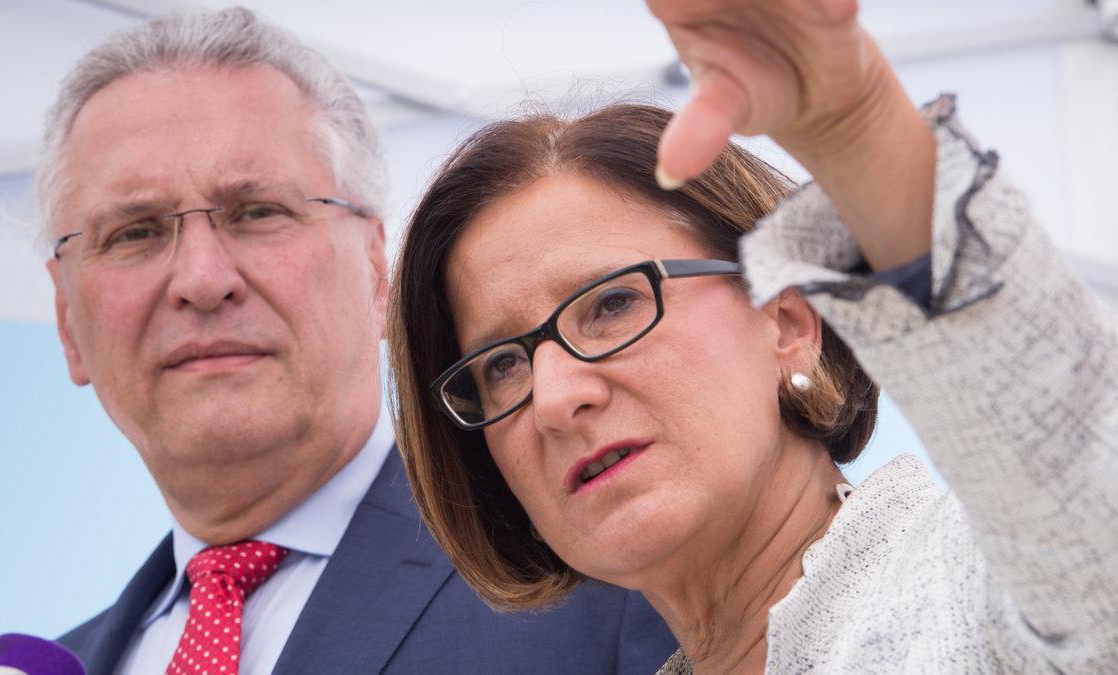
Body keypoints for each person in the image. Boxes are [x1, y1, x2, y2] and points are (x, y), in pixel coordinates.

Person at [388, 0, 1118, 672]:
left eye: (613, 303)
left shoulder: (980, 592)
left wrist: (858, 131)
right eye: (501, 366)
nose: (555, 398)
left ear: (788, 321)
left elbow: (1113, 529)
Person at [39, 7, 675, 674]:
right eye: (135, 232)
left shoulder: (601, 580)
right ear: (66, 320)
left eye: (257, 212)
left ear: (376, 269)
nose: (202, 280)